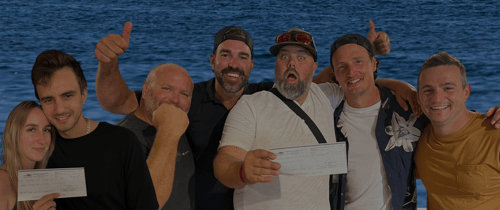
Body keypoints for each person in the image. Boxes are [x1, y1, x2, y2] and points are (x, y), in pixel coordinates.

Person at [94, 21, 391, 209]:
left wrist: (398, 86)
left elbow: (345, 77)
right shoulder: (188, 97)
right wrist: (108, 64)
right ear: (212, 61)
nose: (233, 64)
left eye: (243, 57)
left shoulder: (301, 93)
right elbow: (121, 102)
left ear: (251, 67)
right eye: (225, 55)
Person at [214, 28, 344, 209]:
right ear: (276, 64)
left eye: (301, 58)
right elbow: (224, 161)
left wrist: (395, 86)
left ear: (314, 68)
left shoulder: (326, 96)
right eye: (284, 57)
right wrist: (242, 172)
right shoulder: (251, 106)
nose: (291, 63)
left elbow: (358, 82)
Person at [31, 49, 158, 210]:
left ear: (83, 95)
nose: (59, 109)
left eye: (67, 96)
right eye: (48, 100)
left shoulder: (122, 142)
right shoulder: (36, 149)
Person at [328, 33, 430, 210]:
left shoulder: (406, 107)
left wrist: (492, 116)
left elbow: (451, 122)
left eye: (358, 61)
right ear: (335, 75)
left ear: (374, 63)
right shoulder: (326, 115)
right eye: (342, 66)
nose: (351, 72)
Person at [414, 52, 500, 209]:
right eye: (428, 90)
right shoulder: (419, 139)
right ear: (418, 97)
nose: (437, 98)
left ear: (466, 92)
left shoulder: (495, 134)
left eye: (448, 88)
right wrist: (397, 86)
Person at [115, 63, 195, 210]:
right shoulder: (119, 139)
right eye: (167, 89)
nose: (175, 100)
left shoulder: (182, 126)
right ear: (145, 90)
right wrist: (167, 129)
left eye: (184, 94)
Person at [0, 101, 59, 210]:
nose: (42, 140)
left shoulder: (39, 181)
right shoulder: (2, 183)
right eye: (31, 129)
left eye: (46, 130)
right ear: (14, 134)